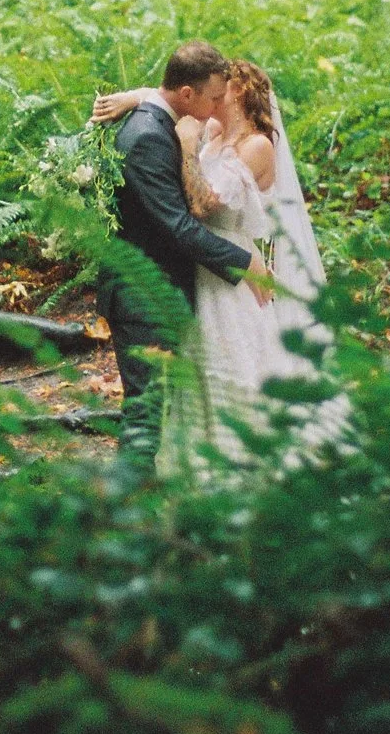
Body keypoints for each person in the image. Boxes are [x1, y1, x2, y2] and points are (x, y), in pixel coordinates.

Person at [94, 57, 350, 475]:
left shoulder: (256, 145)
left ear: (240, 94)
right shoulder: (211, 131)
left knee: (238, 369)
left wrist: (188, 145)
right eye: (213, 89)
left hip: (232, 278)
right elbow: (175, 97)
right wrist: (133, 98)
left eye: (223, 89)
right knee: (185, 383)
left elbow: (203, 204)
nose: (215, 96)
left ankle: (250, 461)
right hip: (203, 270)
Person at [97, 41, 273, 462]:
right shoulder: (149, 138)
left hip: (164, 289)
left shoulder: (162, 120)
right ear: (189, 95)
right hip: (144, 294)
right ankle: (126, 507)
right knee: (145, 410)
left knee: (156, 405)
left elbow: (165, 94)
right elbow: (177, 225)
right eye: (212, 97)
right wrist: (244, 260)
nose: (216, 107)